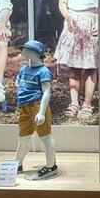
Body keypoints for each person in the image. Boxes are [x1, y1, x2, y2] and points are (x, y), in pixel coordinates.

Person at [54, 0, 99, 121]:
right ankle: (73, 102)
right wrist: (68, 17)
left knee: (91, 65)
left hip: (93, 20)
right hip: (75, 21)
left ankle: (87, 103)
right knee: (73, 65)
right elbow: (62, 3)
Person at [14, 40, 59, 181]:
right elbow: (18, 82)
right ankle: (17, 165)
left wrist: (41, 112)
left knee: (45, 136)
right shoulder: (24, 69)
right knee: (24, 138)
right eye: (24, 50)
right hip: (24, 107)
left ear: (37, 53)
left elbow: (46, 92)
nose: (25, 53)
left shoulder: (43, 71)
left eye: (29, 51)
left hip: (37, 105)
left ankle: (51, 167)